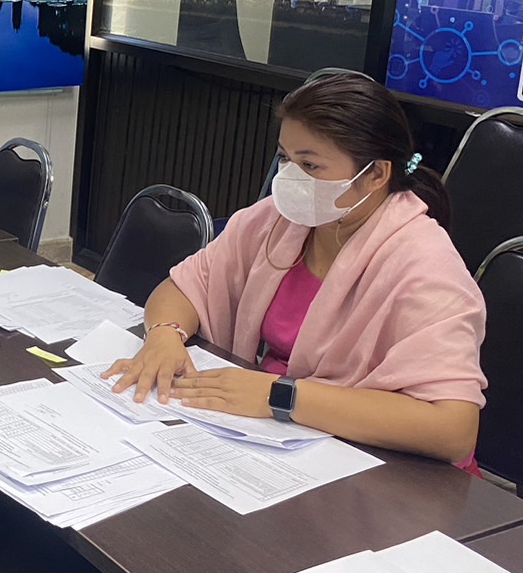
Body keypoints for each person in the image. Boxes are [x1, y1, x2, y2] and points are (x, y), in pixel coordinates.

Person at [105, 73, 486, 466]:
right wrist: (165, 335)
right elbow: (184, 286)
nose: (289, 177)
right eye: (285, 158)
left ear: (375, 174)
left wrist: (280, 395)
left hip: (384, 468)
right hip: (280, 440)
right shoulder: (279, 221)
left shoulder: (425, 264)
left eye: (310, 164)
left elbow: (453, 430)